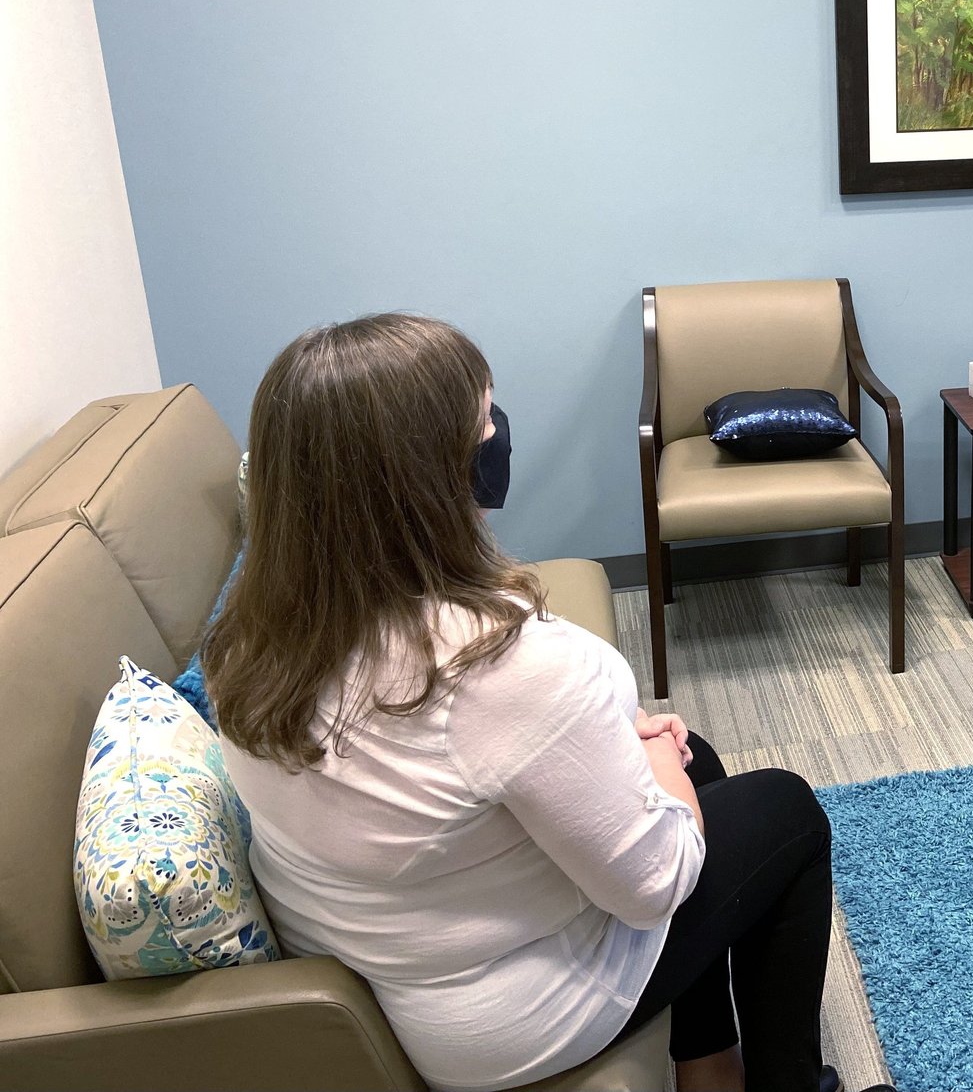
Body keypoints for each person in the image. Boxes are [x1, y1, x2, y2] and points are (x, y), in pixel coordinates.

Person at [204, 314, 893, 1092]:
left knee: (700, 765)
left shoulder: (248, 640)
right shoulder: (498, 666)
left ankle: (709, 1066)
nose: (497, 433)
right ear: (432, 474)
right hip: (505, 1017)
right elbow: (656, 882)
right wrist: (648, 747)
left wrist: (636, 748)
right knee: (785, 810)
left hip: (385, 964)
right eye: (482, 421)